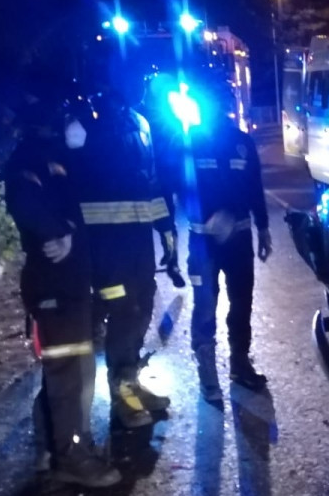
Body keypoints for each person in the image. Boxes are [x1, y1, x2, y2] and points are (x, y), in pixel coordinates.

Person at [4, 94, 120, 487]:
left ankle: (51, 448)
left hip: (68, 283)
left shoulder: (60, 159)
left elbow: (76, 205)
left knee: (66, 370)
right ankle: (72, 456)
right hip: (55, 284)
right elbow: (26, 205)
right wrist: (62, 233)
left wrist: (69, 231)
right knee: (71, 372)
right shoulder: (31, 161)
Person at [66, 90, 174, 427]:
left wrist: (166, 229)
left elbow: (152, 179)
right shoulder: (82, 124)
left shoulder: (139, 122)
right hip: (104, 246)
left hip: (137, 242)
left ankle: (131, 380)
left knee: (142, 305)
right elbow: (69, 186)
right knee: (123, 310)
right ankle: (121, 394)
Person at [166, 79, 272, 402]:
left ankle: (240, 363)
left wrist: (263, 228)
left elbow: (255, 188)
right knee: (205, 306)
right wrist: (203, 217)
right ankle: (207, 369)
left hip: (240, 240)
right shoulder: (188, 142)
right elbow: (177, 187)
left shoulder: (242, 142)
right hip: (204, 242)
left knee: (242, 304)